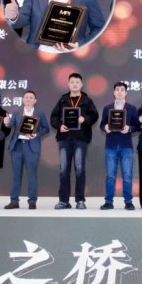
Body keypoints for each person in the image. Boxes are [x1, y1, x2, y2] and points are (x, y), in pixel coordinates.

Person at [49, 73, 99, 210]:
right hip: (64, 139)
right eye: (72, 82)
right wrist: (59, 126)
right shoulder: (62, 100)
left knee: (79, 170)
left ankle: (80, 200)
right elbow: (53, 117)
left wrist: (85, 119)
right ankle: (64, 201)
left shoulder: (87, 100)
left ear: (81, 84)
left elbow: (95, 115)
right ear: (68, 84)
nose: (75, 84)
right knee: (63, 170)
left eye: (77, 82)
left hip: (81, 138)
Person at [4, 91, 50, 210]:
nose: (28, 99)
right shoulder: (17, 112)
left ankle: (32, 201)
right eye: (26, 97)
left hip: (31, 147)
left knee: (32, 175)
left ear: (35, 100)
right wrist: (7, 122)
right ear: (23, 100)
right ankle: (14, 201)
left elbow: (46, 128)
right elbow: (10, 125)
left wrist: (36, 134)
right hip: (17, 146)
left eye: (31, 98)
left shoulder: (39, 113)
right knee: (16, 175)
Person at [99, 82, 138, 210]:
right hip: (110, 145)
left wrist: (129, 128)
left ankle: (128, 201)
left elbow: (137, 126)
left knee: (127, 175)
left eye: (122, 90)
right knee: (110, 175)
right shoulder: (107, 108)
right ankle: (108, 202)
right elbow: (102, 124)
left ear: (126, 92)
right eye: (117, 90)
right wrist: (105, 127)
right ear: (114, 92)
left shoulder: (131, 108)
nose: (120, 92)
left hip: (126, 145)